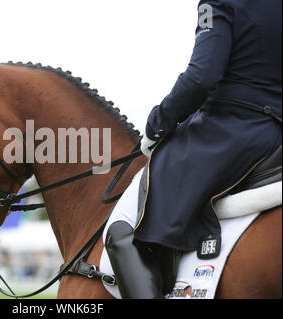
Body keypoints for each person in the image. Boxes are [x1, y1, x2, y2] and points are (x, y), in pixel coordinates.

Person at [104, 0, 282, 298]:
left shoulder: (220, 2)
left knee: (124, 224)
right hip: (275, 134)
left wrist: (156, 125)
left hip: (231, 131)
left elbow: (201, 77)